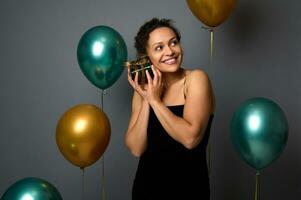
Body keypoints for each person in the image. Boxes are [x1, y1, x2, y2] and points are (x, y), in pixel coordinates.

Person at [125, 18, 215, 200]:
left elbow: (190, 138)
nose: (170, 51)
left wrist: (154, 100)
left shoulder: (196, 79)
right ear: (146, 56)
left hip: (189, 190)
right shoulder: (144, 89)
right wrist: (146, 98)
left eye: (173, 42)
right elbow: (136, 148)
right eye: (159, 47)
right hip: (146, 190)